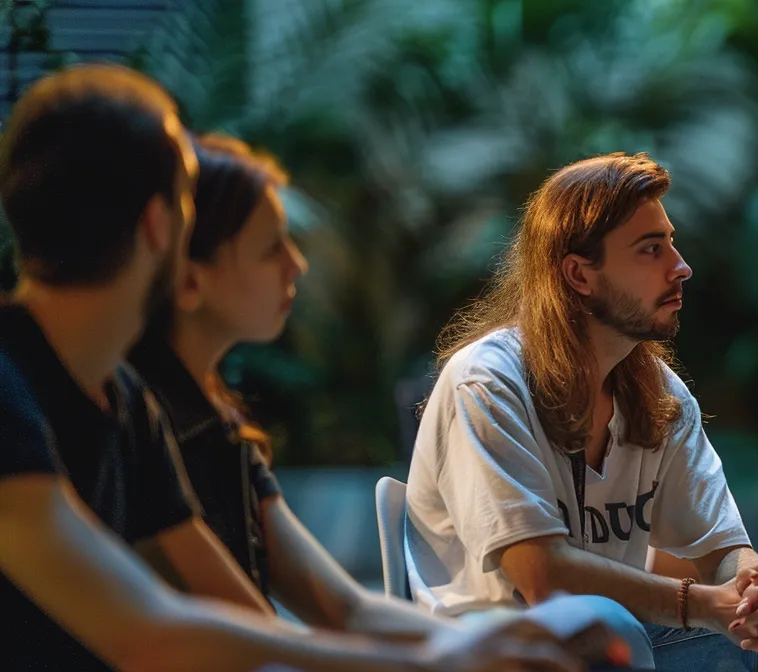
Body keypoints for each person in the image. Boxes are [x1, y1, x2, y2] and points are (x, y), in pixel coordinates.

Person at [0, 64, 579, 671]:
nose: (296, 266)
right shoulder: (15, 386)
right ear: (157, 224)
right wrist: (438, 659)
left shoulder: (123, 399)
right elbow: (151, 633)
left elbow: (290, 617)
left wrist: (469, 647)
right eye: (187, 199)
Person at [129, 134, 632, 661]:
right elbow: (260, 636)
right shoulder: (146, 424)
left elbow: (345, 607)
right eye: (271, 247)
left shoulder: (218, 427)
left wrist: (488, 640)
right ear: (191, 275)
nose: (297, 265)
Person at [405, 152, 758, 671]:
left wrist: (752, 591)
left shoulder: (657, 391)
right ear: (579, 274)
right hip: (489, 646)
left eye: (672, 243)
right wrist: (701, 604)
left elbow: (721, 549)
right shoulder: (487, 382)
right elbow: (539, 576)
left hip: (614, 638)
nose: (681, 266)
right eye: (650, 249)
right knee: (606, 627)